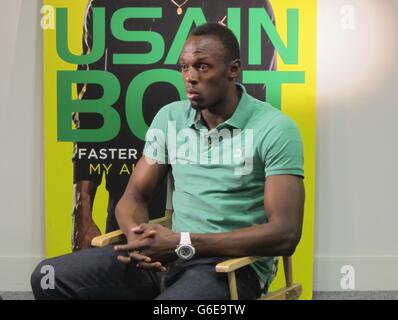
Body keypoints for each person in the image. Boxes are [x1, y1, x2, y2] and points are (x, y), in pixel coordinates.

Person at [32, 22, 304, 300]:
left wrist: (184, 243)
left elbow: (286, 233)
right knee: (48, 278)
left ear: (233, 69)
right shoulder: (171, 118)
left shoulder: (274, 128)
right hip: (167, 256)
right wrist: (138, 239)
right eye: (184, 67)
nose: (190, 77)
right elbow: (133, 197)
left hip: (229, 269)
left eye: (203, 66)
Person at [71, 0, 277, 251]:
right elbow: (91, 101)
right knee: (120, 278)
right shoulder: (109, 4)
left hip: (217, 194)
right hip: (133, 180)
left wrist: (264, 228)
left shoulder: (250, 6)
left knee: (194, 283)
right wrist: (82, 209)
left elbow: (258, 111)